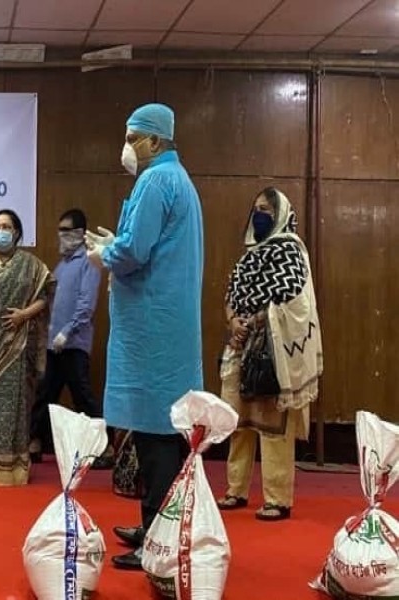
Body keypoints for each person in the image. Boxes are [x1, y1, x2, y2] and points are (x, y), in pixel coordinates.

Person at [86, 103, 204, 570]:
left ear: (155, 141)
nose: (128, 146)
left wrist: (106, 253)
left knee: (157, 433)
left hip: (154, 328)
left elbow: (134, 251)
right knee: (163, 433)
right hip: (166, 325)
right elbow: (146, 243)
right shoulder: (177, 181)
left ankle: (157, 536)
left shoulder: (156, 180)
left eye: (134, 137)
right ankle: (156, 522)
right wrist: (116, 244)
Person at [216, 187, 322, 521]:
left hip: (273, 350)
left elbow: (295, 300)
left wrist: (259, 320)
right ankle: (236, 489)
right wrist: (234, 321)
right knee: (238, 421)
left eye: (266, 209)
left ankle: (278, 498)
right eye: (256, 208)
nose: (259, 215)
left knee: (274, 426)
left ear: (281, 215)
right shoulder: (249, 255)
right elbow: (230, 295)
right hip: (241, 346)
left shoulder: (291, 250)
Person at [0, 209, 53, 486]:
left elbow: (45, 296)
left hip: (17, 345)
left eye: (6, 226)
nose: (1, 231)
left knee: (15, 402)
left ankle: (13, 467)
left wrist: (23, 315)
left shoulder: (29, 264)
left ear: (17, 232)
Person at [28, 208, 109, 467]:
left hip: (74, 344)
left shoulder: (89, 261)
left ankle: (105, 448)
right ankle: (34, 441)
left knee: (82, 396)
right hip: (55, 344)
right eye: (60, 230)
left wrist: (68, 331)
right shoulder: (61, 265)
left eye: (67, 231)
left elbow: (86, 304)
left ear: (80, 233)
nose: (62, 236)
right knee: (45, 394)